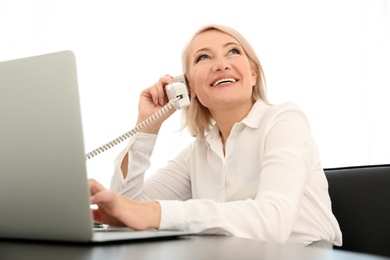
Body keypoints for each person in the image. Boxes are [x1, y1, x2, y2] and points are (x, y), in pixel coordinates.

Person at [89, 24, 342, 247]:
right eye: (203, 58)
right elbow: (125, 208)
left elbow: (274, 221)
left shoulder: (285, 120)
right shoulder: (198, 151)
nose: (221, 64)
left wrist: (156, 213)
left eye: (233, 51)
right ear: (189, 88)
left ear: (253, 74)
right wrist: (146, 125)